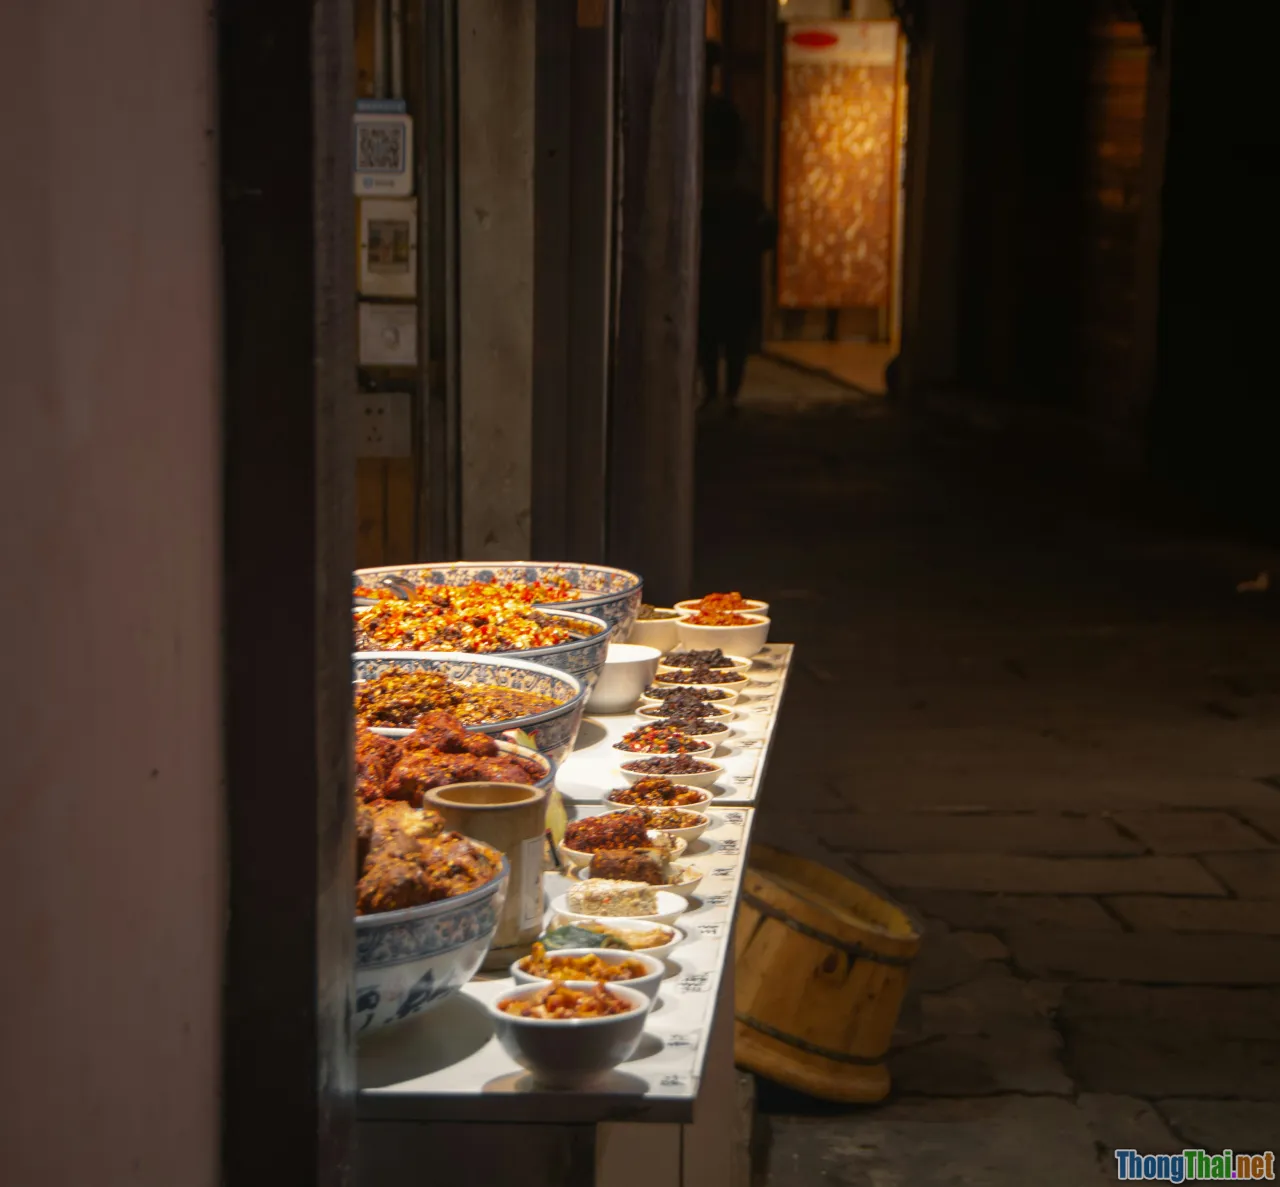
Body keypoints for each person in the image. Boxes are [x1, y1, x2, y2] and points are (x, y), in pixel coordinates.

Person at [699, 41, 776, 409]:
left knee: (716, 332)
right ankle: (724, 394)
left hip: (723, 260)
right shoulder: (740, 193)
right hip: (733, 264)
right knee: (725, 333)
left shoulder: (724, 193)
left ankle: (721, 393)